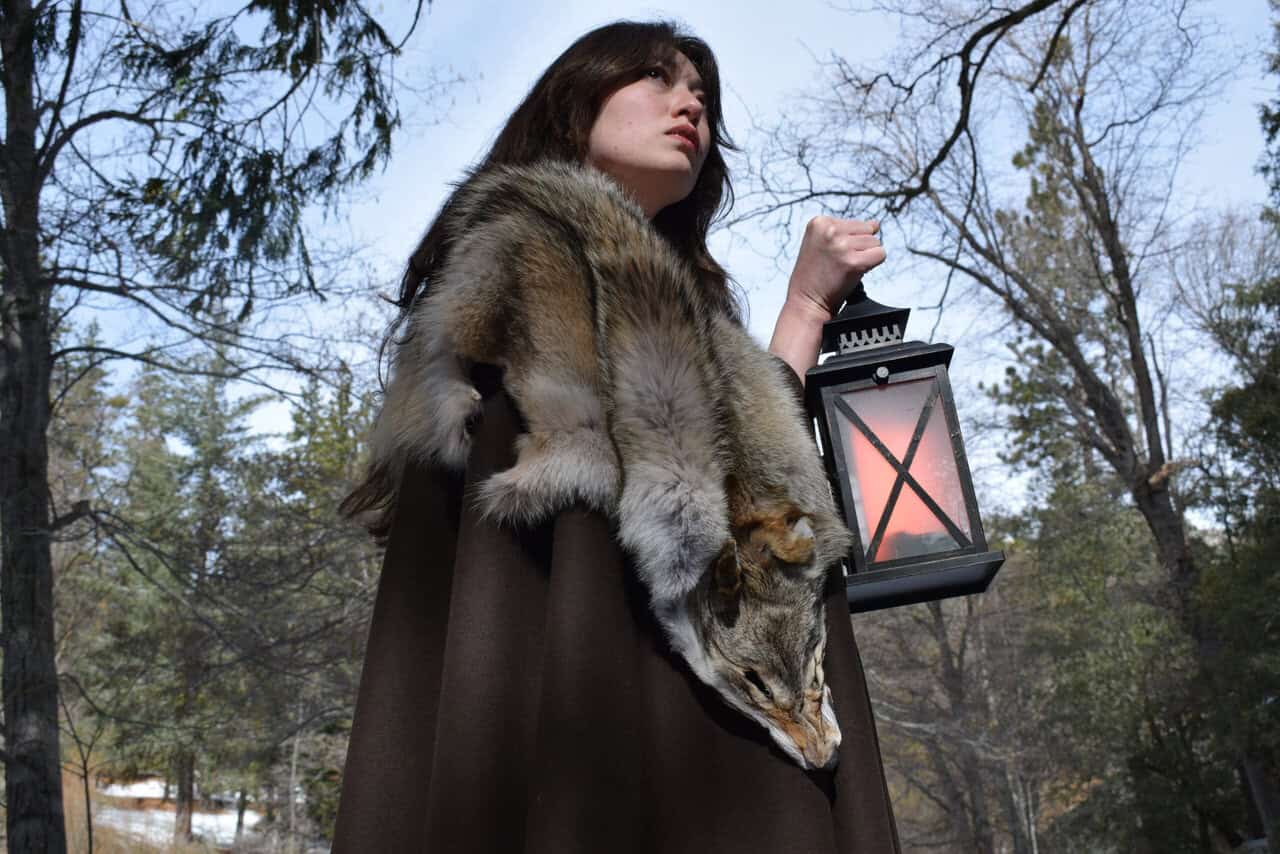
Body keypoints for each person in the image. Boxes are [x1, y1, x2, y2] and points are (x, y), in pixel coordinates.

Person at [332, 20, 900, 853]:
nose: (691, 105)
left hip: (705, 750)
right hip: (599, 740)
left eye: (702, 96)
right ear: (575, 103)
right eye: (657, 78)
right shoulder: (519, 275)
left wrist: (805, 310)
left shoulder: (678, 327)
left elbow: (738, 502)